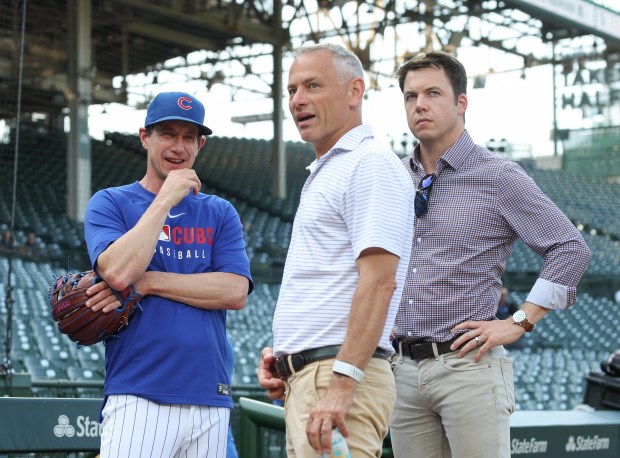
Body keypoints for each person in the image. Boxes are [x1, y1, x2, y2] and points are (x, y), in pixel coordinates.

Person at [390, 51, 591, 458]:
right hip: (402, 370)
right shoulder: (392, 175)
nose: (420, 105)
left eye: (432, 93)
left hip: (468, 367)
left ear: (461, 103)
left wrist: (519, 322)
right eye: (410, 96)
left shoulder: (498, 176)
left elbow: (570, 248)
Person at [257, 43, 415, 457]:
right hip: (311, 379)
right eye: (292, 90)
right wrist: (286, 359)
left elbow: (380, 282)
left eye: (313, 85)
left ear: (354, 91)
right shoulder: (333, 167)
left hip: (338, 379)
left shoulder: (369, 162)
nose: (297, 100)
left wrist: (342, 383)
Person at [82, 91, 253, 457]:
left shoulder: (220, 212)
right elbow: (118, 270)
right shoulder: (110, 202)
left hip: (211, 393)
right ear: (145, 137)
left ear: (200, 144)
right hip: (140, 392)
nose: (178, 146)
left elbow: (234, 291)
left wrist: (149, 282)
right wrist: (165, 199)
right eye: (167, 134)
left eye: (188, 137)